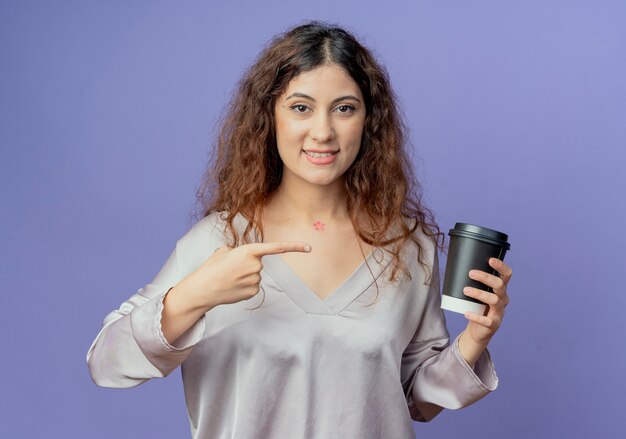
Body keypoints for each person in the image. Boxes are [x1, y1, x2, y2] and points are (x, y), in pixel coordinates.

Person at [87, 21, 512, 438]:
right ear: (269, 116)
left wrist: (474, 339)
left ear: (369, 121)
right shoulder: (218, 242)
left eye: (344, 108)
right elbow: (106, 364)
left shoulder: (407, 247)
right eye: (300, 107)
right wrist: (193, 296)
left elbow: (418, 400)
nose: (323, 131)